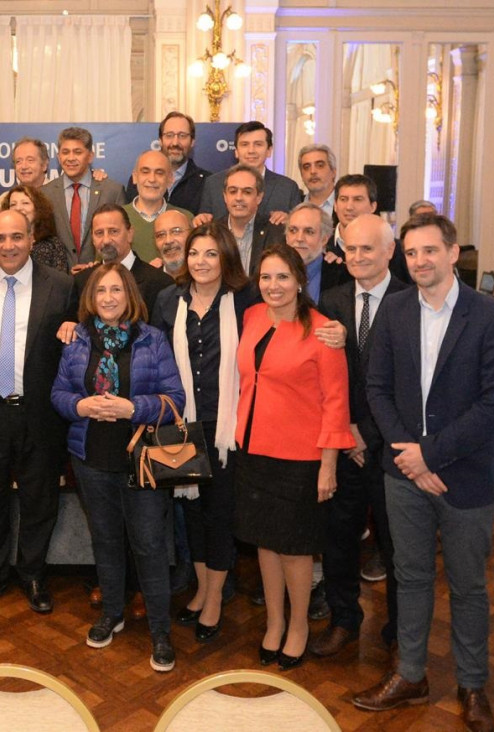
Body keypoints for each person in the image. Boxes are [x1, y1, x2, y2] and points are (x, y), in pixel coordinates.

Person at [355, 214, 494, 732]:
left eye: (429, 251)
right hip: (403, 474)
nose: (419, 260)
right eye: (411, 253)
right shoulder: (395, 310)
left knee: (469, 587)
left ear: (453, 254)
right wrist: (410, 455)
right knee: (410, 577)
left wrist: (429, 455)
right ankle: (410, 674)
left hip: (466, 477)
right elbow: (376, 387)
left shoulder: (491, 318)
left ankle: (472, 685)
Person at [50, 262, 185, 673]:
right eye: (101, 291)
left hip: (141, 459)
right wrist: (79, 405)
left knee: (149, 545)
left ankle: (161, 631)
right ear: (91, 297)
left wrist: (132, 407)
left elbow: (175, 398)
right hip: (91, 459)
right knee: (106, 541)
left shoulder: (153, 339)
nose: (108, 298)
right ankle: (112, 612)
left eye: (116, 290)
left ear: (130, 296)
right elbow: (57, 393)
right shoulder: (76, 340)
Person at [234, 244, 354, 671]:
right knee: (266, 543)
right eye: (266, 277)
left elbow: (336, 402)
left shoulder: (322, 330)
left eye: (283, 276)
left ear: (300, 280)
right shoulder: (251, 318)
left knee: (295, 548)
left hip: (301, 457)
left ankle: (299, 626)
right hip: (253, 450)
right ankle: (274, 621)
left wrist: (328, 464)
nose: (273, 286)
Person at [0, 209, 75, 617]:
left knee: (39, 499)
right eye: (0, 238)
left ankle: (33, 573)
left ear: (31, 240)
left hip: (39, 413)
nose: (8, 246)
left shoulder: (60, 285)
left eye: (16, 237)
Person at [152, 222, 258, 644]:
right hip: (179, 424)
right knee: (189, 511)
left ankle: (215, 597)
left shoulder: (245, 300)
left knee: (219, 512)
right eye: (195, 253)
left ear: (226, 258)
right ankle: (201, 589)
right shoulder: (167, 299)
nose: (200, 261)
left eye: (211, 253)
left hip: (226, 428)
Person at [313, 214, 407, 659]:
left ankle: (398, 635)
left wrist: (368, 433)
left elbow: (411, 384)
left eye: (367, 248)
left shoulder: (411, 302)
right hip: (342, 442)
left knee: (395, 548)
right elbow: (325, 376)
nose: (357, 257)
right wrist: (347, 430)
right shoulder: (330, 300)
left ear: (390, 251)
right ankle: (343, 620)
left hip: (392, 450)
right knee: (338, 540)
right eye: (349, 248)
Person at [42, 126, 127, 266]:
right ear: (58, 157)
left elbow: (122, 239)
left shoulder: (112, 191)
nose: (70, 158)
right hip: (60, 279)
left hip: (101, 275)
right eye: (65, 152)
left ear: (90, 156)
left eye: (77, 152)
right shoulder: (46, 194)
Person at [198, 121, 302, 223]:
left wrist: (289, 221)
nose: (251, 150)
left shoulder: (288, 188)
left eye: (258, 144)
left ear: (269, 150)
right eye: (244, 144)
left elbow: (298, 227)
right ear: (236, 151)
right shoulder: (214, 184)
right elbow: (205, 223)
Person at [126, 111, 212, 213]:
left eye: (182, 135)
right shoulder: (139, 178)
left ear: (192, 142)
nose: (175, 142)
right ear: (160, 140)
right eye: (169, 135)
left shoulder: (207, 182)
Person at [214, 164, 286, 277]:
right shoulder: (212, 232)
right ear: (225, 196)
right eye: (233, 191)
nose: (238, 198)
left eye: (247, 192)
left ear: (259, 197)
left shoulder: (276, 232)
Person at [123, 150, 192, 262]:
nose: (152, 179)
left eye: (159, 173)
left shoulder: (185, 218)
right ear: (135, 177)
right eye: (145, 172)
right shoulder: (118, 218)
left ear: (170, 179)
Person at [285, 202, 350, 302]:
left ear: (324, 239)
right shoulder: (269, 273)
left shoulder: (342, 276)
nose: (299, 238)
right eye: (293, 230)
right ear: (286, 237)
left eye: (309, 232)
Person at [1, 184, 70, 273]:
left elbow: (60, 282)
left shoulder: (53, 245)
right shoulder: (2, 243)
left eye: (25, 203)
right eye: (13, 204)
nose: (18, 208)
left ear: (37, 208)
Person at [0, 137, 51, 214]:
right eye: (18, 161)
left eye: (30, 160)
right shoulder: (3, 201)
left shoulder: (59, 196)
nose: (24, 166)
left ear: (44, 165)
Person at [298, 144, 338, 220]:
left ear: (333, 171)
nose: (313, 171)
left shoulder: (346, 205)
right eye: (307, 167)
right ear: (301, 175)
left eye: (320, 165)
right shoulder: (294, 204)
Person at [153, 210, 191, 276]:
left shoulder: (206, 280)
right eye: (161, 235)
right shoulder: (150, 281)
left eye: (176, 231)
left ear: (191, 234)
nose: (168, 241)